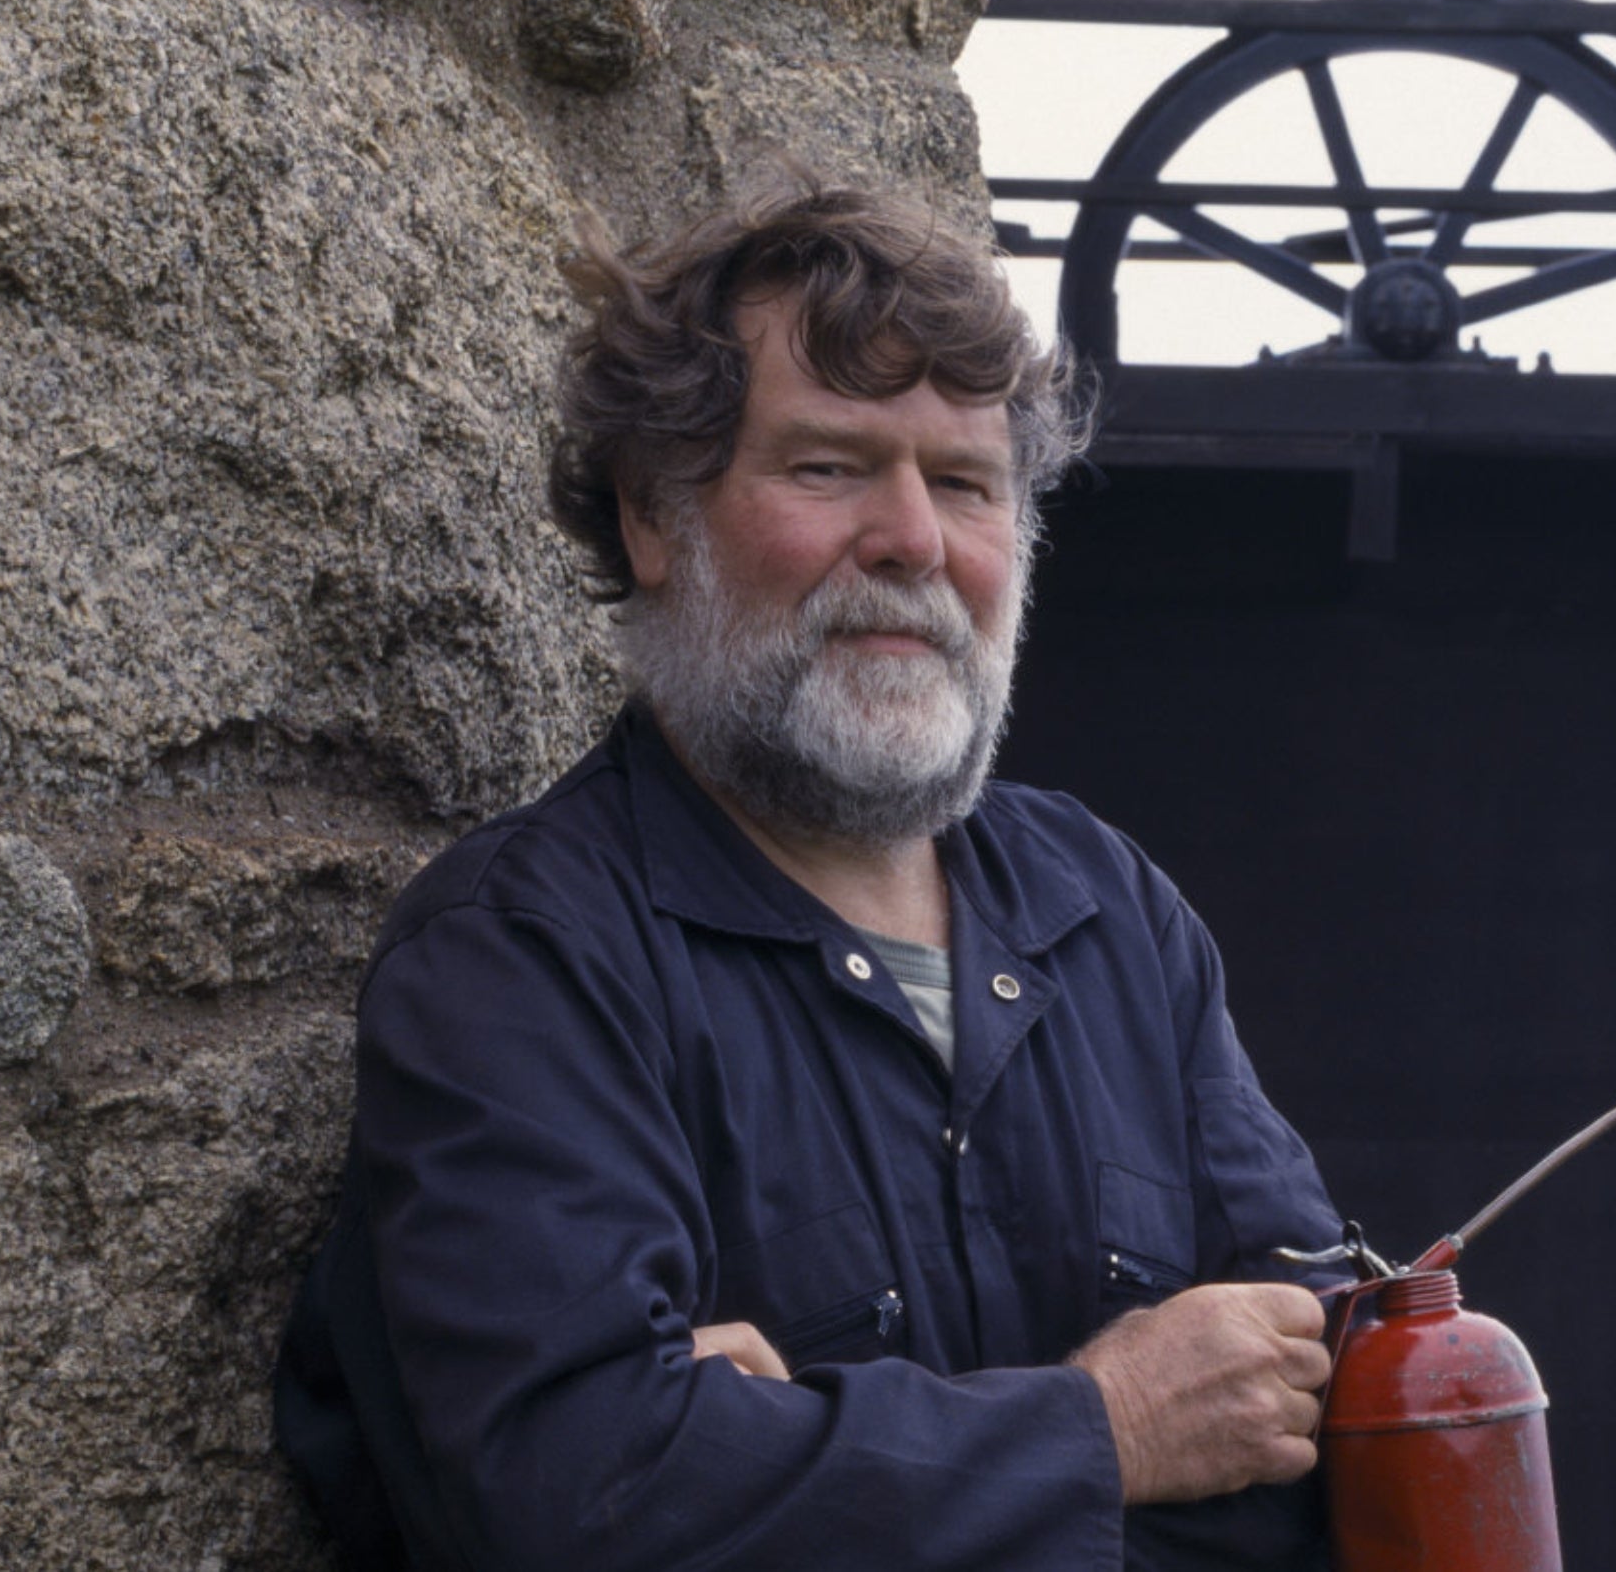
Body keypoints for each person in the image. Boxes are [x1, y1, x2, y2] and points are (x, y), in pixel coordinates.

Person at [274, 182, 1348, 1571]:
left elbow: (1333, 1431)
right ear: (657, 519)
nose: (912, 540)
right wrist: (1111, 1428)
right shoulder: (523, 960)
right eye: (830, 467)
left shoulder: (1110, 910)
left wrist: (798, 1478)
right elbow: (583, 1508)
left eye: (963, 483)